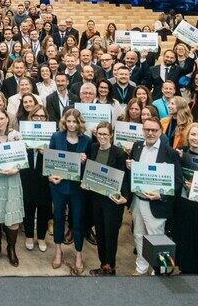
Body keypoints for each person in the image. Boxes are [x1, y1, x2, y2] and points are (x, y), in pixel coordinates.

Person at [127, 117, 183, 275]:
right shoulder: (137, 146)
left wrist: (161, 194)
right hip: (138, 200)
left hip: (157, 203)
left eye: (154, 130)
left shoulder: (169, 152)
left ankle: (161, 271)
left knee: (157, 238)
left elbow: (178, 182)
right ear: (142, 130)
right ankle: (141, 267)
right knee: (138, 235)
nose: (150, 133)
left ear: (161, 132)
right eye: (147, 130)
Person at [48, 108, 91, 275]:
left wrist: (85, 161)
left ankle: (78, 254)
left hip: (77, 188)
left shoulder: (87, 141)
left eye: (74, 121)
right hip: (58, 186)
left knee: (78, 222)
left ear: (79, 123)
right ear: (64, 122)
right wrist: (50, 177)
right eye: (69, 121)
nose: (71, 124)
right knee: (58, 218)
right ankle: (58, 250)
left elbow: (91, 169)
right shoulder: (56, 137)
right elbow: (49, 161)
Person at [84, 122, 129, 276]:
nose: (102, 137)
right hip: (96, 198)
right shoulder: (93, 148)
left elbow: (124, 178)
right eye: (100, 133)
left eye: (105, 134)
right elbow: (90, 169)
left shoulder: (119, 153)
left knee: (111, 235)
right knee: (100, 233)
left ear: (111, 135)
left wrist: (125, 198)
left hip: (112, 201)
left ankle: (111, 266)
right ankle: (103, 263)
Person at [172, 123, 198, 274]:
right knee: (182, 234)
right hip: (182, 201)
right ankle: (182, 265)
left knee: (196, 236)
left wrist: (196, 187)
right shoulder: (181, 152)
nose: (196, 138)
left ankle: (195, 268)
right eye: (193, 134)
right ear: (188, 136)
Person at [0, 109, 24, 267]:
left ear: (8, 119)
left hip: (12, 179)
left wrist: (16, 168)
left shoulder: (16, 136)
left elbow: (22, 158)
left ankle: (11, 249)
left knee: (12, 214)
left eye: (2, 118)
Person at [20, 105, 52, 252]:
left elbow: (58, 158)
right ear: (31, 117)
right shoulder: (23, 133)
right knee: (28, 205)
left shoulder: (53, 135)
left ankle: (41, 237)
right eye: (36, 116)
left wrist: (47, 152)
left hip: (44, 176)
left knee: (44, 207)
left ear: (46, 119)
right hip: (27, 174)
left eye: (42, 117)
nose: (39, 119)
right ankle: (28, 236)